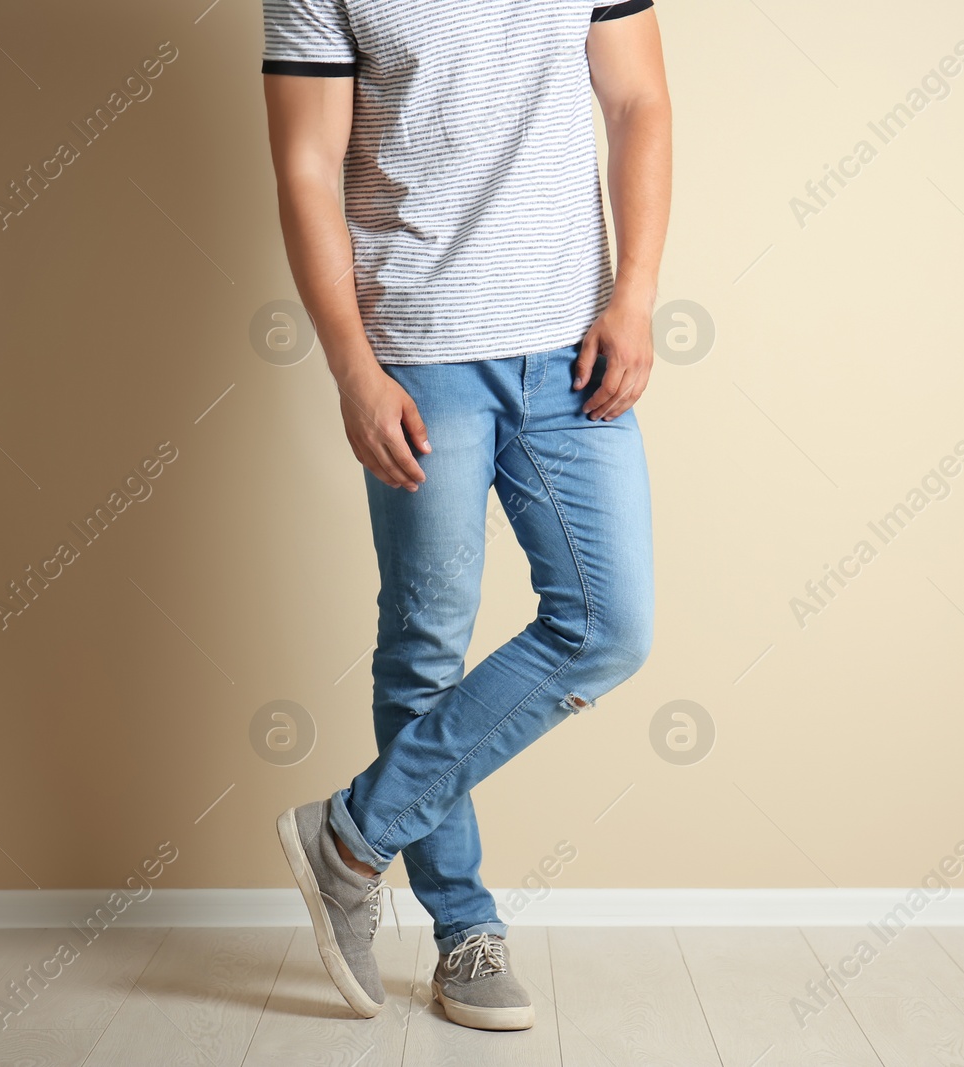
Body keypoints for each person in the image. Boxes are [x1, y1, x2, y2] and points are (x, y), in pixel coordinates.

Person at [260, 0, 671, 1032]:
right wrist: (353, 366)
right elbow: (307, 166)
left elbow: (635, 102)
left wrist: (635, 293)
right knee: (425, 644)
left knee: (607, 625)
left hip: (570, 350)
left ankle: (349, 837)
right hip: (419, 348)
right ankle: (463, 933)